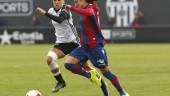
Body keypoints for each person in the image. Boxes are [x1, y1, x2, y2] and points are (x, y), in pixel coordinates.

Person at [36, 0, 109, 95]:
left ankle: (103, 85)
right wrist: (47, 13)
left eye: (59, 0)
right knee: (50, 59)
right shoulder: (51, 11)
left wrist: (44, 13)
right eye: (55, 0)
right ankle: (61, 82)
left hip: (74, 42)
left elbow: (60, 19)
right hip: (61, 43)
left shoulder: (65, 10)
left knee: (86, 66)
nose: (57, 2)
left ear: (63, 1)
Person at [64, 0, 129, 96]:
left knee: (106, 72)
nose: (75, 4)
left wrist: (71, 8)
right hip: (84, 46)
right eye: (74, 2)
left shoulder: (91, 8)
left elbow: (90, 13)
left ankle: (123, 93)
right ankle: (91, 75)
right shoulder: (84, 8)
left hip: (95, 47)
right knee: (68, 64)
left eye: (77, 1)